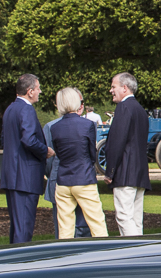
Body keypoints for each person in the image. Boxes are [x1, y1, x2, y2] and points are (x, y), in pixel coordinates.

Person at [0, 74, 53, 244]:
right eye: (38, 88)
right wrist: (45, 150)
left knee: (17, 226)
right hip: (25, 176)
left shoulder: (10, 109)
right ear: (30, 92)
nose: (40, 91)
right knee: (24, 227)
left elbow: (4, 139)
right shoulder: (26, 109)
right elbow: (28, 139)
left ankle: (14, 263)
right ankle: (20, 265)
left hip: (12, 175)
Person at [49, 87, 108, 239]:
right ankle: (105, 256)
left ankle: (67, 258)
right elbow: (91, 153)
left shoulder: (54, 128)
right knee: (97, 223)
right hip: (84, 177)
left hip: (63, 180)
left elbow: (59, 153)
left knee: (65, 227)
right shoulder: (87, 125)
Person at [103, 72, 152, 235]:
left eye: (113, 86)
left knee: (124, 216)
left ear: (124, 88)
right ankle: (141, 252)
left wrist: (110, 171)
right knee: (136, 218)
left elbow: (117, 142)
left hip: (125, 172)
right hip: (139, 172)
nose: (111, 90)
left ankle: (135, 253)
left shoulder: (123, 108)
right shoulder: (140, 109)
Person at [44, 105, 91, 239]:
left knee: (66, 227)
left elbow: (48, 162)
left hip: (65, 180)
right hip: (73, 180)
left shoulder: (51, 126)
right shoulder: (51, 127)